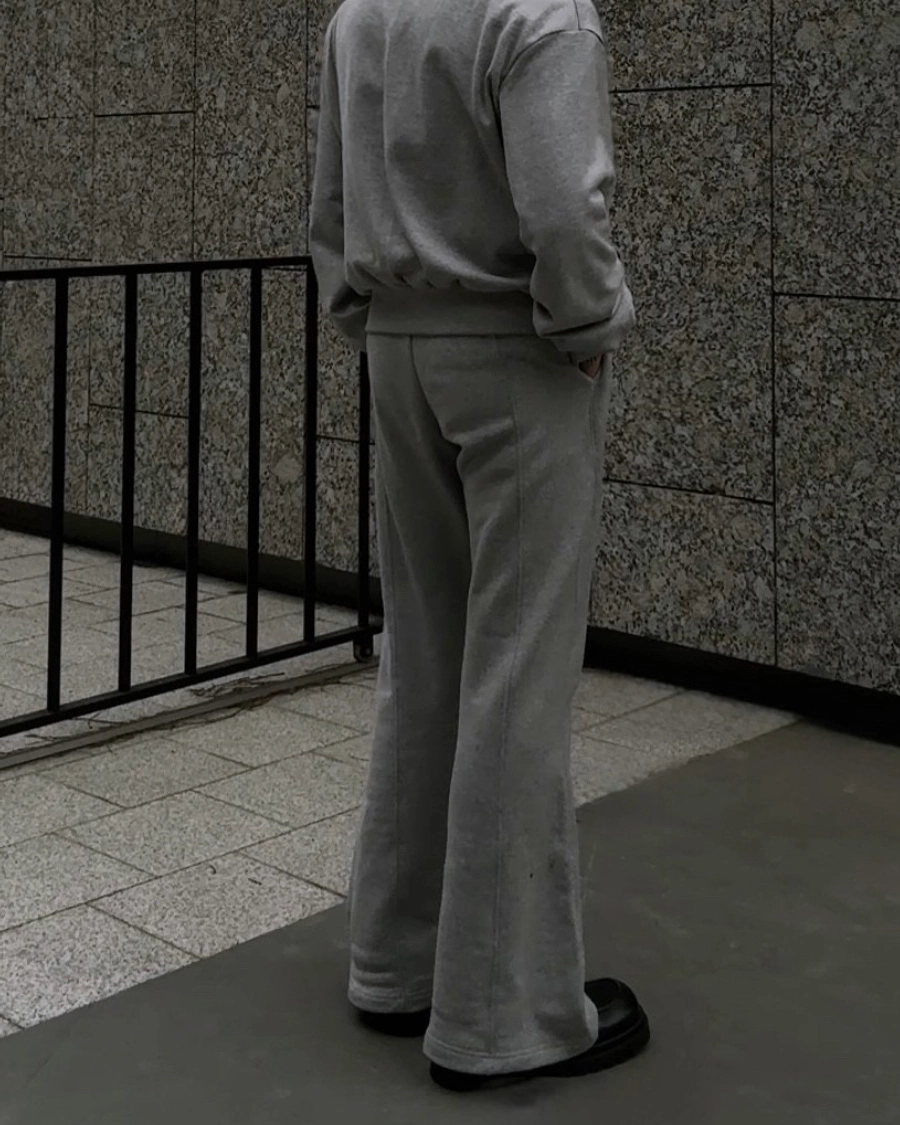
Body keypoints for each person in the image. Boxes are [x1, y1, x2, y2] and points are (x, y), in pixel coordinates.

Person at [309, 0, 649, 1093]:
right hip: (515, 352)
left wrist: (372, 318)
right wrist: (588, 329)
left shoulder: (359, 13)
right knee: (518, 675)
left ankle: (394, 963)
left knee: (425, 655)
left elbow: (331, 204)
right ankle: (500, 1018)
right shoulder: (541, 13)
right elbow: (562, 208)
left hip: (398, 346)